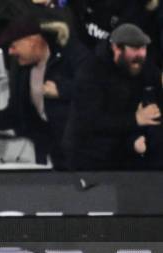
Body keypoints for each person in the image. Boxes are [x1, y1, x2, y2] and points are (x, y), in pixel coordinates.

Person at [0, 17, 90, 168]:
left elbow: (96, 89)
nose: (11, 52)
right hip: (51, 151)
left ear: (32, 41)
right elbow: (15, 115)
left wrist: (63, 90)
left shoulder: (72, 52)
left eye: (13, 46)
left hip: (83, 147)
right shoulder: (21, 68)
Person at [64, 23, 161, 170]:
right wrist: (135, 120)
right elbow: (91, 121)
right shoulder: (91, 73)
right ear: (116, 48)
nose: (141, 55)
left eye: (144, 48)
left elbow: (155, 80)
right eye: (135, 49)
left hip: (125, 151)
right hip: (89, 157)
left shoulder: (140, 65)